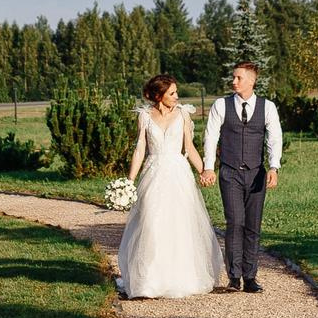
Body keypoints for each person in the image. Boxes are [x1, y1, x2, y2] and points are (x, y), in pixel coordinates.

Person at [114, 73, 229, 300]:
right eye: (172, 93)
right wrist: (128, 181)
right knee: (151, 223)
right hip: (153, 174)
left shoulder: (183, 114)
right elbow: (139, 149)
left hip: (178, 173)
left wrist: (205, 170)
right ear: (159, 95)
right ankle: (149, 281)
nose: (177, 97)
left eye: (176, 92)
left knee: (180, 223)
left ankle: (182, 278)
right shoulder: (145, 116)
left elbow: (190, 147)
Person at [199, 60, 282, 293]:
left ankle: (251, 277)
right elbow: (211, 137)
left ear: (251, 81)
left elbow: (274, 138)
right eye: (233, 77)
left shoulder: (267, 107)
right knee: (235, 222)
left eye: (238, 78)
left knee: (253, 225)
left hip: (256, 173)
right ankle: (234, 277)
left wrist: (274, 167)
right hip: (230, 172)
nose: (233, 81)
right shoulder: (220, 105)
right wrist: (208, 167)